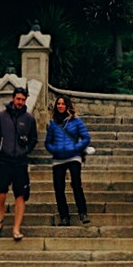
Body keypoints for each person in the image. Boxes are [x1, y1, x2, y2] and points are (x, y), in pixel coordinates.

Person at [0, 86, 38, 242]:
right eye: (18, 99)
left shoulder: (29, 119)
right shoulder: (0, 116)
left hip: (21, 161)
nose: (20, 102)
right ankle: (2, 211)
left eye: (23, 100)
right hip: (4, 159)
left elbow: (33, 140)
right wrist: (1, 148)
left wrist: (26, 150)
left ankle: (16, 228)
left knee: (21, 194)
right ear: (13, 98)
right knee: (0, 190)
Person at [44, 94, 92, 226]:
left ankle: (83, 212)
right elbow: (48, 142)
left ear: (67, 106)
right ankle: (64, 216)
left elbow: (86, 138)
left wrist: (76, 147)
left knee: (76, 184)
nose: (60, 106)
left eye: (62, 104)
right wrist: (54, 150)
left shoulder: (76, 122)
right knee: (59, 188)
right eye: (58, 104)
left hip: (73, 156)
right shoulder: (53, 124)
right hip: (58, 158)